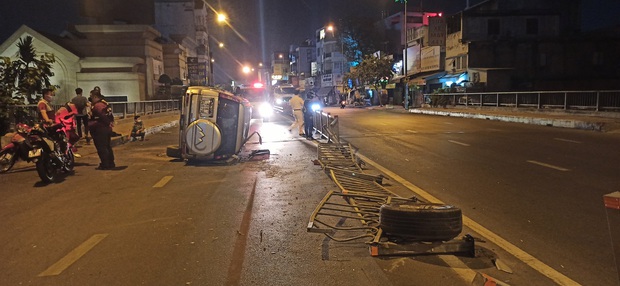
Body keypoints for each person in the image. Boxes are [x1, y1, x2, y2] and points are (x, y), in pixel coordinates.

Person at [89, 89, 116, 170]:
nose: (91, 99)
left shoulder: (98, 106)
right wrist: (110, 123)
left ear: (95, 97)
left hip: (100, 129)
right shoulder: (105, 104)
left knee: (102, 147)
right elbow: (110, 115)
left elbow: (102, 116)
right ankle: (110, 163)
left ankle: (105, 164)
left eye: (91, 97)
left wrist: (108, 123)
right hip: (106, 128)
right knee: (107, 146)